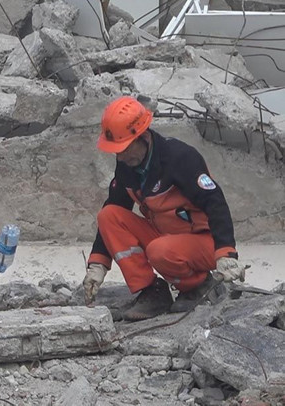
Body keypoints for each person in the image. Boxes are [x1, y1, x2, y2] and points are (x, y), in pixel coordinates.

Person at [82, 96, 246, 321]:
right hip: (166, 239)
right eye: (115, 150)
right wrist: (98, 264)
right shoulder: (127, 166)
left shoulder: (179, 158)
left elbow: (215, 201)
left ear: (142, 137)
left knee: (160, 250)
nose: (119, 155)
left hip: (203, 243)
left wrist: (226, 254)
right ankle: (152, 292)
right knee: (109, 215)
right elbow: (114, 207)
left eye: (123, 148)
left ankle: (199, 286)